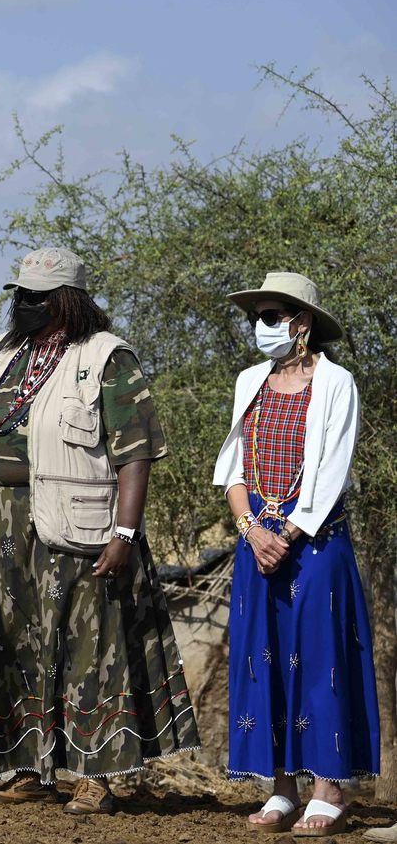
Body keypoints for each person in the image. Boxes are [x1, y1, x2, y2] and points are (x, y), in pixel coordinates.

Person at [0, 247, 199, 814]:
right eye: (20, 296)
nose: (25, 305)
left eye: (37, 297)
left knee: (87, 645)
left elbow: (135, 453)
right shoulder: (0, 353)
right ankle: (30, 766)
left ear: (67, 301)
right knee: (13, 641)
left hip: (75, 521)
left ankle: (94, 776)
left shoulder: (107, 358)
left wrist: (124, 534)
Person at [215, 272, 377, 837]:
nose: (259, 329)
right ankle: (281, 787)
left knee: (320, 656)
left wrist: (286, 531)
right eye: (255, 318)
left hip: (315, 540)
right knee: (263, 655)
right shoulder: (249, 382)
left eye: (268, 317)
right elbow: (232, 468)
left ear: (300, 322)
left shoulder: (337, 384)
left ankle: (328, 788)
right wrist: (251, 530)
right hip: (256, 536)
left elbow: (331, 470)